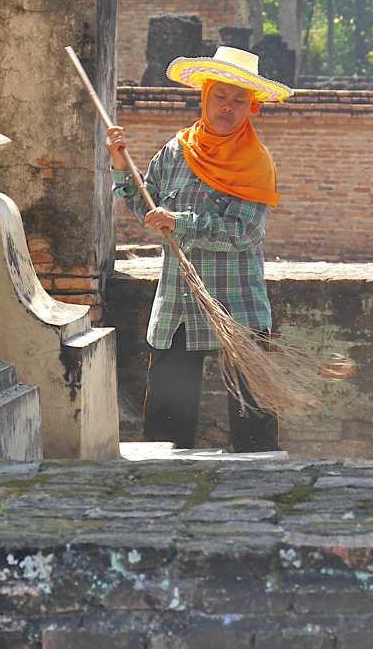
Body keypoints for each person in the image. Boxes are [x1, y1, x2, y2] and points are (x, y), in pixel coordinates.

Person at [106, 46, 292, 453]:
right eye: (220, 96)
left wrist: (181, 222)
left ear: (252, 107)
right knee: (166, 428)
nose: (228, 107)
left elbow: (243, 233)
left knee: (254, 423)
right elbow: (146, 204)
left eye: (239, 100)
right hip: (179, 302)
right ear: (205, 97)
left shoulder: (256, 162)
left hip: (236, 305)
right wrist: (122, 164)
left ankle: (257, 495)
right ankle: (165, 498)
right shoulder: (176, 151)